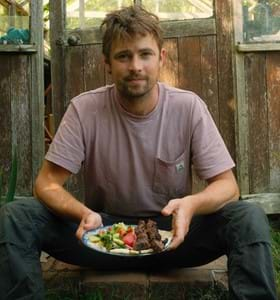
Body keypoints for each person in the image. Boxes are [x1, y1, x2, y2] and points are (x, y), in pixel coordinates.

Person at [0, 5, 277, 300]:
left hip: (174, 236)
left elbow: (228, 187)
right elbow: (46, 184)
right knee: (18, 216)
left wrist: (191, 205)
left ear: (161, 58)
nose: (135, 66)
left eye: (145, 54)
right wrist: (83, 213)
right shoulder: (84, 109)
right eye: (123, 56)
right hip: (103, 236)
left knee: (248, 215)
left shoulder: (188, 107)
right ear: (107, 63)